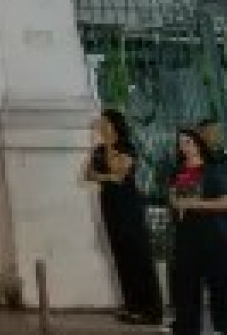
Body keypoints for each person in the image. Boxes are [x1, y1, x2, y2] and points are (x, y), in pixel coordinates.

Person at [82, 108, 162, 326]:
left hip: (128, 205)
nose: (100, 125)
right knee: (121, 254)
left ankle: (151, 309)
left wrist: (108, 148)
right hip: (109, 204)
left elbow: (120, 172)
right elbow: (89, 174)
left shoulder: (126, 146)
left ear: (114, 125)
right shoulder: (98, 149)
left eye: (104, 122)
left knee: (138, 254)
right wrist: (107, 174)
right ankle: (132, 306)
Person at [168, 128, 227, 335]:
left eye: (189, 142)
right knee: (184, 291)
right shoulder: (177, 171)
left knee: (223, 292)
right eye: (181, 143)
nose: (185, 147)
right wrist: (176, 202)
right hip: (186, 237)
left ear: (199, 143)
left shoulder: (214, 169)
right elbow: (174, 199)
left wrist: (195, 203)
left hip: (214, 236)